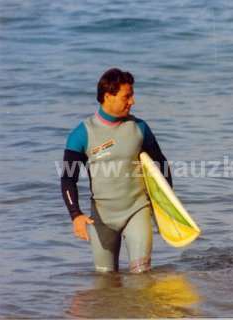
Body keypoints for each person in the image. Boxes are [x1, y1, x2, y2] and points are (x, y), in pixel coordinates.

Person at [61, 68, 172, 273]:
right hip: (102, 218)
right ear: (107, 96)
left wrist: (166, 204)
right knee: (105, 281)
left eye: (132, 95)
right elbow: (68, 179)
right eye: (127, 96)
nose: (132, 101)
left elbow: (161, 163)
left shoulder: (139, 128)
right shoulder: (82, 133)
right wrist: (75, 214)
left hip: (137, 210)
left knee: (142, 275)